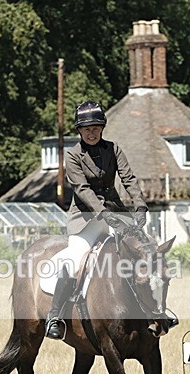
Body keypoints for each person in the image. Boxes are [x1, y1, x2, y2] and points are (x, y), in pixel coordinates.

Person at [44, 100, 149, 340]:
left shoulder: (114, 149)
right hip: (85, 217)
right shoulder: (72, 156)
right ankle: (55, 316)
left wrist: (140, 205)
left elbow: (128, 178)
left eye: (96, 127)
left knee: (143, 252)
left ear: (102, 128)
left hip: (117, 214)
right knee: (74, 260)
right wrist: (103, 213)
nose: (91, 133)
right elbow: (81, 189)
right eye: (86, 129)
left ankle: (154, 311)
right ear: (79, 130)